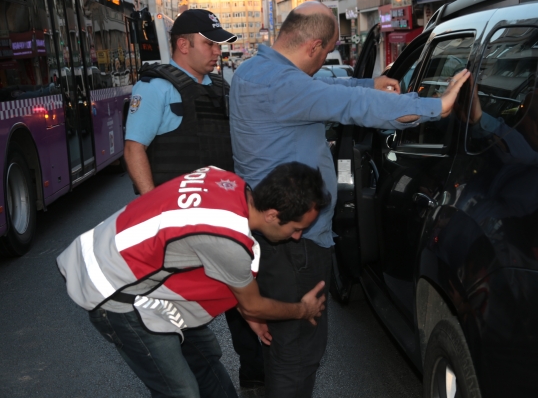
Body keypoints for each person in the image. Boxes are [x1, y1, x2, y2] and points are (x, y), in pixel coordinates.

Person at [229, 1, 470, 397]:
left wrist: (366, 83)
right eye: (324, 54)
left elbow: (325, 88)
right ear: (314, 46)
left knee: (285, 351)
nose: (323, 62)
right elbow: (355, 108)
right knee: (297, 355)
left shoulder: (253, 71)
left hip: (272, 238)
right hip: (296, 246)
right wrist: (436, 106)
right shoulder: (285, 86)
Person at [56, 163, 331, 398]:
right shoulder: (229, 241)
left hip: (120, 264)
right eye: (297, 229)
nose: (297, 237)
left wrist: (249, 310)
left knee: (205, 359)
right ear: (272, 215)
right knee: (180, 391)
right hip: (112, 293)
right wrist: (302, 310)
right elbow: (253, 305)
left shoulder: (224, 178)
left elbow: (200, 249)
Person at [123, 9, 265, 388]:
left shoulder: (220, 88)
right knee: (180, 326)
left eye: (219, 44)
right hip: (181, 231)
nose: (217, 51)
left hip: (223, 226)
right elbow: (135, 148)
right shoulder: (155, 87)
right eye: (209, 43)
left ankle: (255, 384)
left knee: (246, 313)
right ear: (183, 45)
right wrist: (153, 214)